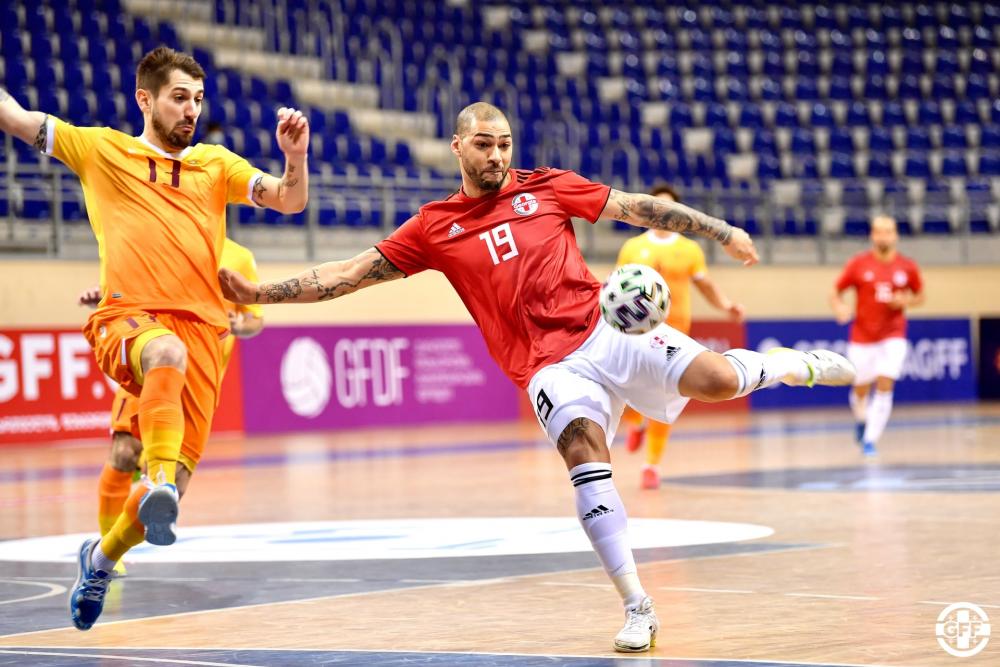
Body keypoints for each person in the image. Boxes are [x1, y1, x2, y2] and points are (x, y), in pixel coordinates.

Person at [218, 102, 854, 653]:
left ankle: (800, 365)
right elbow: (346, 275)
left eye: (504, 145)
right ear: (458, 147)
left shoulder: (548, 187)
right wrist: (260, 292)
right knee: (583, 449)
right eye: (484, 144)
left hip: (608, 327)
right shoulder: (434, 228)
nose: (496, 155)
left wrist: (723, 231)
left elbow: (636, 206)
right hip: (546, 365)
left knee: (718, 381)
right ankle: (637, 604)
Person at [0, 45, 308, 631]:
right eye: (178, 98)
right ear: (146, 99)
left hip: (203, 341)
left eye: (197, 99)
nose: (191, 109)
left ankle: (102, 556)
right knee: (147, 414)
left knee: (169, 498)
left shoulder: (216, 164)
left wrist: (297, 157)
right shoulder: (102, 149)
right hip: (131, 319)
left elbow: (291, 199)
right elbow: (15, 116)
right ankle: (156, 476)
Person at [80, 238, 264, 575]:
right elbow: (126, 287)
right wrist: (106, 296)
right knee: (124, 453)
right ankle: (110, 558)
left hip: (199, 376)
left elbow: (255, 319)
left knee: (170, 484)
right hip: (154, 356)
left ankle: (102, 554)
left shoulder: (240, 257)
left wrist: (237, 324)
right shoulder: (164, 236)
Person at [615, 183, 745, 489]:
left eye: (668, 207)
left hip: (675, 332)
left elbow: (705, 284)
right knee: (632, 385)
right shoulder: (633, 247)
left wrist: (726, 306)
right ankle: (635, 422)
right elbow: (617, 285)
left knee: (666, 393)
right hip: (638, 331)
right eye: (656, 206)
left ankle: (652, 465)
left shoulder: (689, 249)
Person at [830, 215, 923, 457]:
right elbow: (835, 291)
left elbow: (920, 295)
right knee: (860, 389)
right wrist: (839, 307)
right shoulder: (858, 264)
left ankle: (870, 440)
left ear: (896, 235)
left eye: (888, 231)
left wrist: (906, 300)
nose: (884, 236)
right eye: (879, 231)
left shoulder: (907, 266)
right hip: (862, 336)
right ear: (872, 235)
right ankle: (862, 420)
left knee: (885, 383)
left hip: (893, 334)